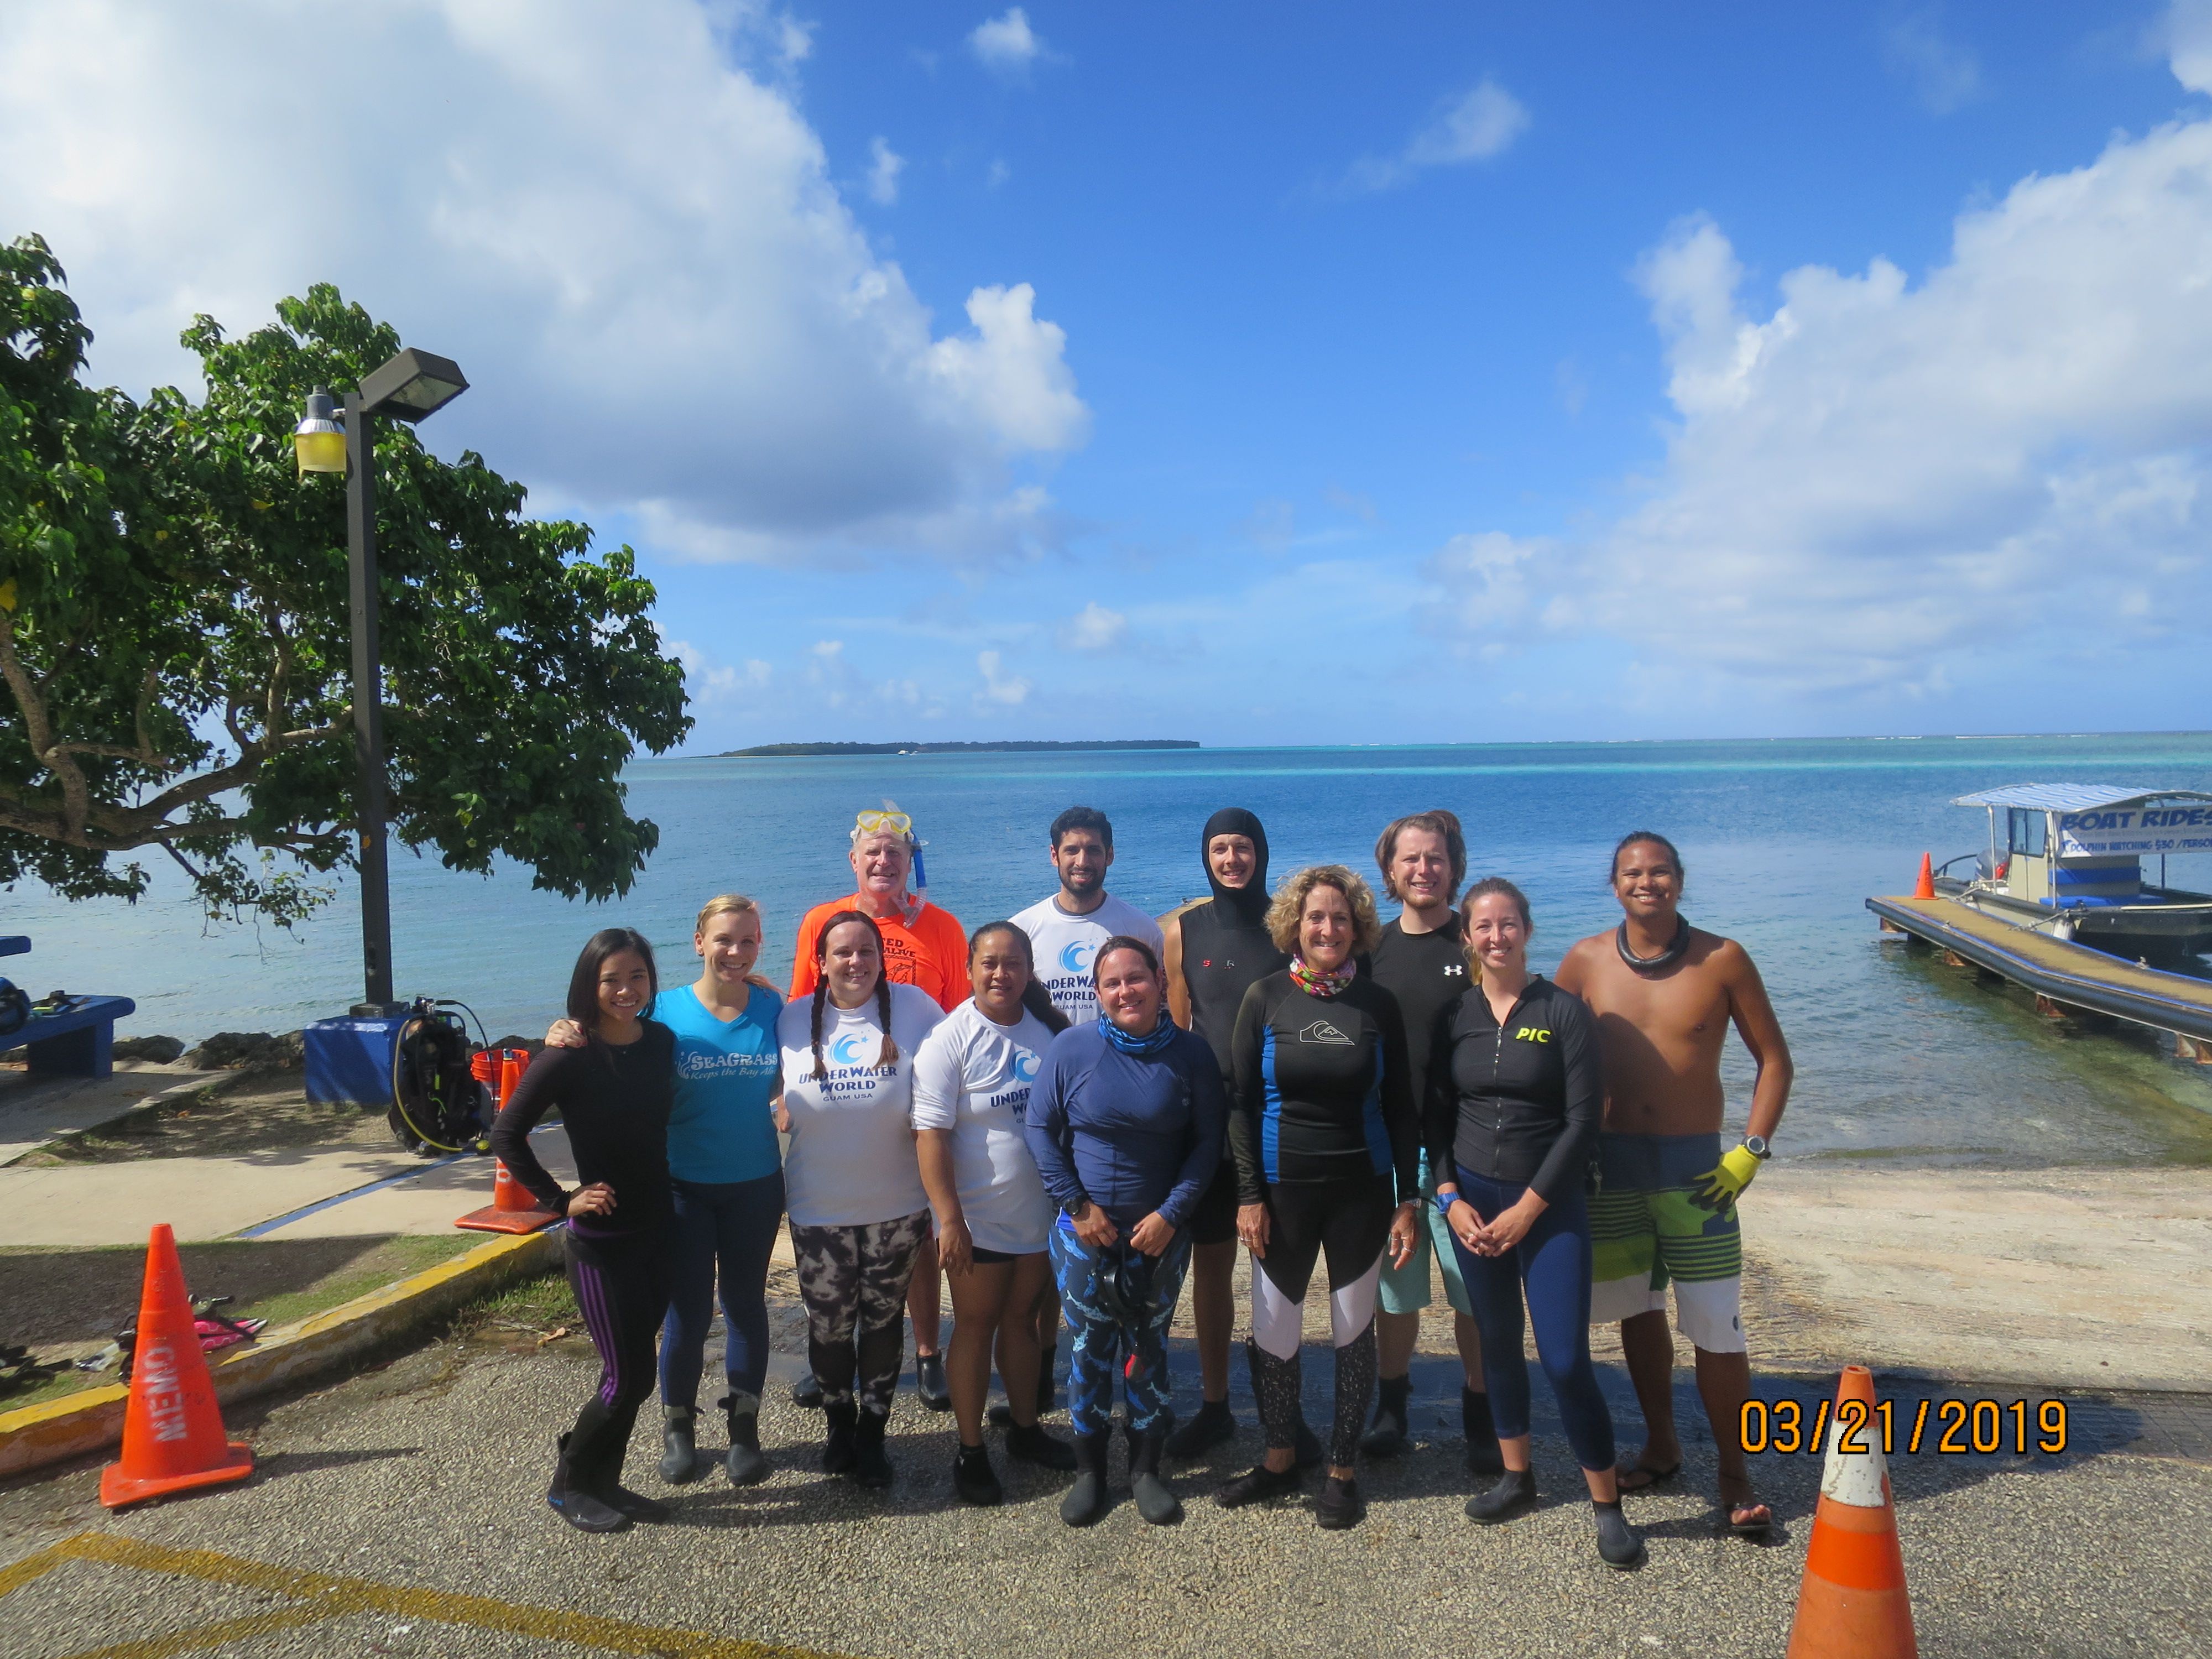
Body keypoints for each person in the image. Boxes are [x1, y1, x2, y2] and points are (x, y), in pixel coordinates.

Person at [1554, 830, 1793, 1538]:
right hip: (1611, 1171)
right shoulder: (1587, 960)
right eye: (1632, 872)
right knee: (1637, 1310)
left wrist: (1750, 1152)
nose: (1646, 882)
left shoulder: (1722, 959)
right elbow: (1538, 1042)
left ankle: (1734, 1474)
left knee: (1717, 1330)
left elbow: (1774, 1061)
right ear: (1614, 882)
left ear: (1680, 881)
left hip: (1701, 1179)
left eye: (1659, 872)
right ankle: (1661, 1446)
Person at [1430, 878, 1643, 1568]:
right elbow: (1438, 1120)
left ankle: (1605, 1505)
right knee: (1496, 1340)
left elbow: (1584, 1122)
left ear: (1527, 929)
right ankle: (1517, 1476)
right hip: (1472, 1204)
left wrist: (1528, 1207)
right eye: (1483, 926)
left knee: (1564, 1358)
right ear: (1466, 936)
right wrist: (1448, 1197)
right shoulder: (1455, 1014)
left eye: (1508, 924)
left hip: (1546, 1207)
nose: (1496, 937)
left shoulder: (1563, 1012)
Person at [1215, 866, 1420, 1530]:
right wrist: (1248, 1195)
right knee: (1274, 1328)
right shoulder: (1265, 996)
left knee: (1352, 1330)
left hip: (1361, 1191)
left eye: (1339, 918)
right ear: (1293, 927)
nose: (1327, 929)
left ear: (1357, 927)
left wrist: (1407, 1199)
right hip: (1281, 1195)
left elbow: (1401, 1109)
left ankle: (1340, 1468)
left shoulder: (1377, 1006)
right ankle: (1279, 1457)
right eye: (1314, 918)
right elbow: (1239, 1105)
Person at [1026, 937, 1226, 1527]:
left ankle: (1144, 1469)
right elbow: (1040, 1129)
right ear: (1097, 993)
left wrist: (1172, 1214)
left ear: (1161, 981)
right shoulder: (1072, 1048)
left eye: (1136, 978)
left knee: (1148, 1350)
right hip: (1081, 1232)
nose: (1125, 991)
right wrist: (1078, 1207)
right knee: (1089, 1351)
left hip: (1159, 1232)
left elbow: (1207, 1143)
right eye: (1111, 983)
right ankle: (1091, 1471)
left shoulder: (1192, 1055)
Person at [493, 928, 677, 1533]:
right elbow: (506, 1135)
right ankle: (568, 1482)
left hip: (657, 1233)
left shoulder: (661, 1042)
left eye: (637, 978)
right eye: (611, 980)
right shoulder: (567, 1057)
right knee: (630, 1377)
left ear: (651, 981)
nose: (625, 990)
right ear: (589, 986)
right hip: (601, 1246)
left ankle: (606, 1482)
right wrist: (560, 1199)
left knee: (626, 1377)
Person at [789, 807, 967, 1412]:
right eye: (872, 852)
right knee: (840, 1250)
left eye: (894, 852)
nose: (883, 862)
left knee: (915, 1242)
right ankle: (835, 1357)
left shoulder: (941, 927)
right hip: (840, 1107)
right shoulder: (822, 921)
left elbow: (957, 1020)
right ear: (854, 861)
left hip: (914, 1115)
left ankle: (924, 1352)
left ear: (909, 859)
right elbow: (797, 1003)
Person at [1159, 807, 1317, 1464]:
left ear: (1261, 853)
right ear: (1206, 856)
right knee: (1214, 1267)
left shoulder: (1288, 925)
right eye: (1220, 849)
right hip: (1213, 1124)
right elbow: (1175, 1034)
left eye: (1243, 847)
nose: (1232, 860)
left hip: (1279, 1117)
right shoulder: (1180, 932)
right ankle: (1217, 1405)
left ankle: (1285, 1412)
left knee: (1278, 1271)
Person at [1001, 805, 1161, 1424]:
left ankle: (1133, 1386)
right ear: (1053, 857)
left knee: (1116, 1253)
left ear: (1110, 856)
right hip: (1042, 1109)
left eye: (1093, 850)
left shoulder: (1139, 929)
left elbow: (1162, 1013)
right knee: (1047, 1260)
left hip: (1121, 1118)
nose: (1082, 861)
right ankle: (1042, 1384)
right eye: (1071, 850)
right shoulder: (1026, 929)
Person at [776, 910, 946, 1488]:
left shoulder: (919, 1008)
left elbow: (968, 1049)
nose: (855, 962)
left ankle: (874, 1433)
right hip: (817, 1207)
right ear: (820, 963)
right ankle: (838, 1425)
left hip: (897, 1206)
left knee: (881, 1323)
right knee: (827, 1328)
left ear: (881, 956)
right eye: (842, 953)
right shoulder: (791, 1019)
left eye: (866, 951)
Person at [911, 922, 1079, 1505]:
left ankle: (1027, 1429)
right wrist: (948, 1220)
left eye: (1012, 964)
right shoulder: (949, 1038)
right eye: (988, 963)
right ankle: (970, 1449)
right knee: (977, 1325)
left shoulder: (1050, 1033)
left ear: (1029, 970)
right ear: (969, 969)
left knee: (1024, 1319)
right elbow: (929, 1135)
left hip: (1039, 1214)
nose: (1000, 974)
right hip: (977, 1219)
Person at [1361, 811, 1500, 1474]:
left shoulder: (1475, 946)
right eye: (1410, 859)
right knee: (1395, 1288)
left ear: (1455, 866)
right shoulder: (1373, 951)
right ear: (1389, 871)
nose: (1423, 869)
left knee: (1471, 1287)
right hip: (1390, 1145)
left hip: (1466, 1144)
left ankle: (1480, 1410)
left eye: (1436, 858)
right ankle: (1392, 1406)